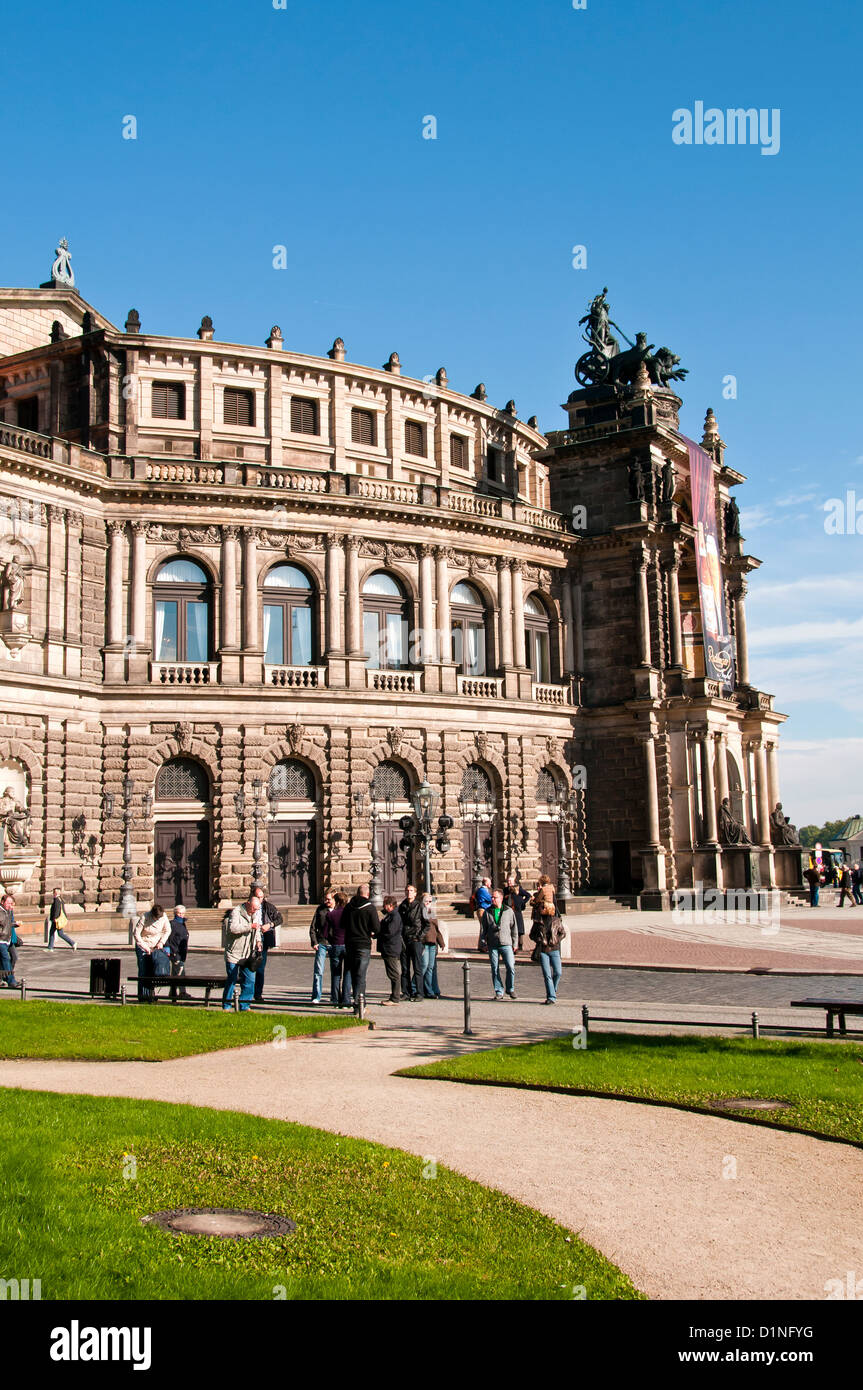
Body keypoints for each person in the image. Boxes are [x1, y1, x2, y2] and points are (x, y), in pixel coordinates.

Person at [342, 883, 378, 1013]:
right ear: (368, 894)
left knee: (353, 974)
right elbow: (376, 928)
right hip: (363, 945)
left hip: (350, 944)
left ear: (357, 893)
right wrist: (371, 932)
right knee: (361, 975)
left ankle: (357, 1002)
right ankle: (359, 1004)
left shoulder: (348, 907)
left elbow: (342, 924)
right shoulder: (370, 908)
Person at [223, 894, 262, 1011]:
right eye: (254, 908)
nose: (255, 911)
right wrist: (250, 926)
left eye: (257, 909)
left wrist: (258, 941)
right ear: (248, 903)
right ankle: (227, 1005)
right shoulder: (236, 912)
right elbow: (233, 928)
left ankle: (245, 1005)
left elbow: (257, 929)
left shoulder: (256, 913)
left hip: (248, 954)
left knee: (250, 980)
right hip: (234, 953)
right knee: (232, 980)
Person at [479, 888, 518, 1000]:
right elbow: (483, 929)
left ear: (501, 898)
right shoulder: (488, 912)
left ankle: (510, 988)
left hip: (506, 943)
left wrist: (515, 944)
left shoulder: (508, 911)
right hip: (493, 944)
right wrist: (483, 942)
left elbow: (514, 928)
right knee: (495, 968)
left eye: (494, 897)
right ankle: (499, 990)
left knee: (510, 966)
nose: (492, 899)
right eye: (492, 897)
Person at [132, 903, 171, 1003]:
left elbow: (168, 930)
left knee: (154, 970)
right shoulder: (144, 917)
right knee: (143, 971)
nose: (157, 920)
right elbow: (136, 934)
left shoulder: (163, 916)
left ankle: (151, 994)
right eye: (156, 918)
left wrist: (161, 942)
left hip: (155, 946)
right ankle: (143, 996)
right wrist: (145, 947)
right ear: (152, 915)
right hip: (143, 945)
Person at [251, 886, 283, 1003]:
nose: (260, 900)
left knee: (260, 967)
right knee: (248, 967)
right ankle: (248, 992)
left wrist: (270, 925)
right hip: (250, 939)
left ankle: (258, 994)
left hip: (264, 939)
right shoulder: (248, 907)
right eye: (258, 897)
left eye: (261, 897)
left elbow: (279, 918)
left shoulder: (268, 907)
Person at [530, 909, 567, 1004]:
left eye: (543, 908)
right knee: (547, 975)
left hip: (554, 949)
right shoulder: (538, 922)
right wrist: (538, 939)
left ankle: (552, 991)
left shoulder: (556, 920)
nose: (541, 910)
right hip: (543, 951)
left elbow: (563, 933)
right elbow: (531, 935)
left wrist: (556, 941)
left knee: (558, 972)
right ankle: (551, 997)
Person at [399, 884, 426, 1000]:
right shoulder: (402, 906)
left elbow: (427, 924)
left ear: (415, 893)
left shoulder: (420, 906)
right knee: (405, 968)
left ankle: (419, 993)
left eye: (411, 891)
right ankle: (406, 992)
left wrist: (419, 937)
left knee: (417, 968)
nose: (409, 893)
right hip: (404, 940)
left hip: (415, 940)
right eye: (407, 891)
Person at [309, 889, 335, 1004]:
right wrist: (314, 942)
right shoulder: (320, 909)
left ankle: (335, 997)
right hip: (322, 943)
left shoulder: (339, 910)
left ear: (334, 899)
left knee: (336, 972)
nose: (326, 901)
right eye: (325, 899)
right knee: (318, 971)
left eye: (329, 899)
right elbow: (313, 927)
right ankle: (316, 996)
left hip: (335, 944)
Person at [377, 895, 403, 1005]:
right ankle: (394, 996)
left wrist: (379, 933)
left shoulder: (395, 916)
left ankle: (395, 998)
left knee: (394, 973)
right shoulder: (390, 915)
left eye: (385, 905)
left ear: (390, 905)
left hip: (391, 948)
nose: (383, 907)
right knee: (392, 972)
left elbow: (390, 932)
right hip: (389, 947)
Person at [326, 890, 351, 1008]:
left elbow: (325, 933)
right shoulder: (350, 914)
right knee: (348, 973)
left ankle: (335, 1000)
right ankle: (346, 1000)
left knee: (336, 974)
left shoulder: (331, 914)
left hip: (336, 945)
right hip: (347, 945)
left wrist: (332, 940)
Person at [421, 893, 445, 999]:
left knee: (430, 968)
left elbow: (436, 929)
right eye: (426, 901)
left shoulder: (432, 913)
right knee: (423, 967)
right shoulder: (421, 912)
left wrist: (441, 942)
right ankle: (413, 987)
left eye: (430, 901)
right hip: (424, 943)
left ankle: (429, 990)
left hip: (432, 943)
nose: (428, 903)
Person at [167, 904, 190, 1001]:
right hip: (175, 953)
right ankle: (182, 992)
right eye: (179, 913)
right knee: (181, 972)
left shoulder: (182, 923)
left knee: (175, 975)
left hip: (181, 953)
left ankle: (172, 993)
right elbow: (169, 939)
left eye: (183, 913)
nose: (181, 915)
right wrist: (172, 952)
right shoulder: (172, 924)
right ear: (175, 913)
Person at [504, 875, 531, 952]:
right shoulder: (506, 889)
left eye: (510, 881)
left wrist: (523, 902)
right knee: (510, 929)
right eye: (508, 881)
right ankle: (511, 945)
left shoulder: (518, 888)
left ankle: (520, 945)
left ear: (514, 881)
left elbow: (528, 895)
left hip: (517, 912)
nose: (509, 882)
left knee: (519, 929)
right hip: (508, 912)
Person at [0, 893, 20, 988]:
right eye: (8, 903)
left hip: (7, 940)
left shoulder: (8, 911)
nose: (10, 905)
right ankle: (11, 981)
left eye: (11, 903)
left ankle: (3, 978)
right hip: (1, 940)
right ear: (2, 902)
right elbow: (3, 924)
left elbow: (7, 924)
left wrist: (15, 924)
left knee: (10, 958)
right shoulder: (1, 912)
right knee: (6, 959)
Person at [473, 877, 492, 945]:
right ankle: (482, 944)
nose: (491, 883)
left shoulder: (483, 890)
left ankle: (483, 944)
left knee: (485, 927)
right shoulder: (483, 890)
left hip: (484, 909)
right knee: (484, 927)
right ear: (486, 883)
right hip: (482, 910)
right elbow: (490, 899)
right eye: (490, 882)